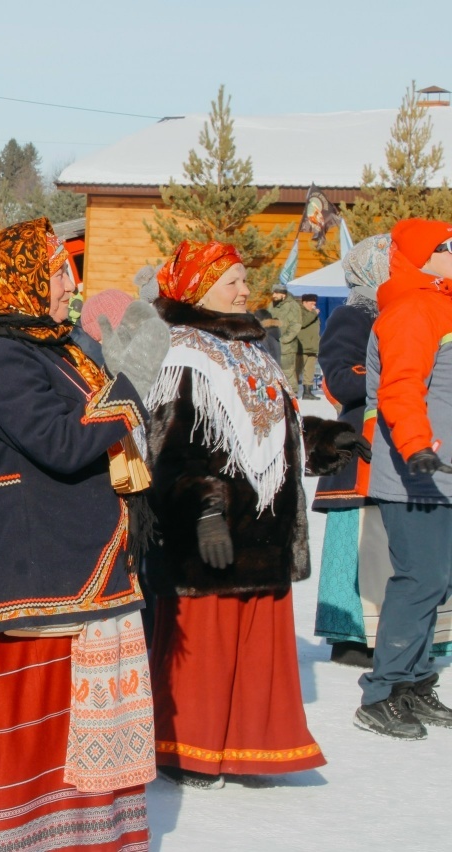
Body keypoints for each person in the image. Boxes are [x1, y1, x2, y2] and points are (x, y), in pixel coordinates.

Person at [0, 218, 159, 852]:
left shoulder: (48, 346)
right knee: (39, 731)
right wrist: (128, 387)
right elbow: (61, 443)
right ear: (22, 279)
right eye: (59, 272)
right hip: (34, 566)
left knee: (78, 726)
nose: (71, 285)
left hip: (72, 559)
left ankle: (86, 838)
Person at [145, 240, 366, 787]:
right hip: (211, 532)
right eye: (233, 282)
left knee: (255, 652)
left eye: (245, 280)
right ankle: (187, 750)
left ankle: (247, 747)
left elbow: (271, 430)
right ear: (199, 288)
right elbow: (168, 450)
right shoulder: (181, 355)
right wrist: (203, 508)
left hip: (265, 530)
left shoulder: (253, 348)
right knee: (206, 648)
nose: (246, 290)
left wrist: (322, 441)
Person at [309, 235, 452, 668]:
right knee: (367, 544)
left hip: (405, 441)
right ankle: (360, 639)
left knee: (410, 556)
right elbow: (338, 377)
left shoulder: (417, 306)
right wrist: (391, 372)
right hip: (360, 446)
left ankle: (418, 646)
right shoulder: (356, 314)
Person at [357, 218, 452, 739]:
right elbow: (399, 388)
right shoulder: (414, 309)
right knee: (421, 579)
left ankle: (414, 682)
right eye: (448, 245)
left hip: (443, 473)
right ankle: (382, 692)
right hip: (417, 472)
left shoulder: (441, 305)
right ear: (423, 256)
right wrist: (416, 446)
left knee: (438, 581)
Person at [269, 284, 303, 389]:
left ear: (283, 294)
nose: (273, 295)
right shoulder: (272, 305)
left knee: (288, 373)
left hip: (286, 347)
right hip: (272, 345)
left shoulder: (293, 306)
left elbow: (296, 325)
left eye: (276, 293)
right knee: (273, 371)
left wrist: (283, 340)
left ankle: (293, 394)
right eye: (273, 293)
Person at [296, 293, 321, 399]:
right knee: (296, 371)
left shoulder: (312, 313)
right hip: (301, 347)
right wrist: (314, 313)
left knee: (310, 371)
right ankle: (291, 392)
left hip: (312, 347)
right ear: (304, 302)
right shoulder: (299, 311)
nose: (314, 306)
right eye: (311, 304)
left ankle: (307, 392)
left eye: (315, 304)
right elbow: (303, 322)